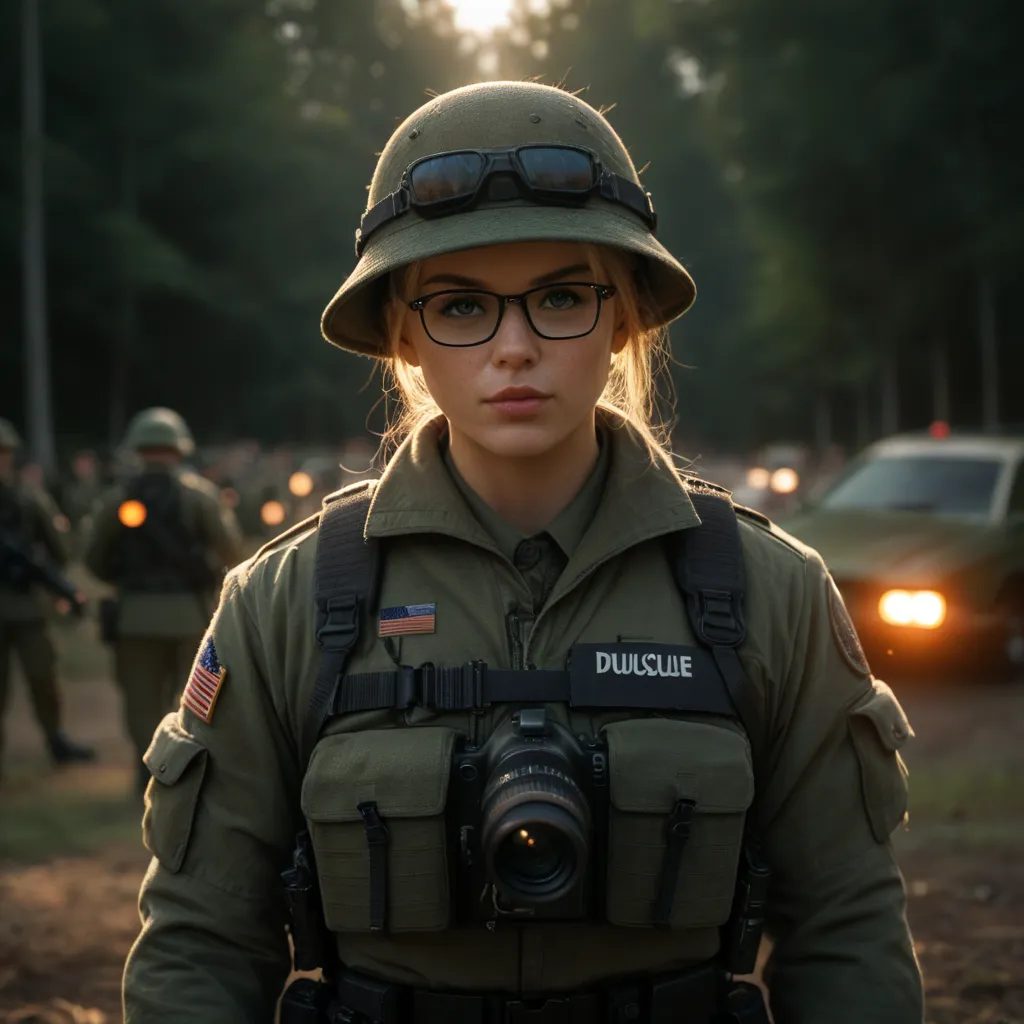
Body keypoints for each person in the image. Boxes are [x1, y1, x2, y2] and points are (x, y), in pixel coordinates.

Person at [124, 83, 923, 1023]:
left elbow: (846, 931)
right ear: (403, 336)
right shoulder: (287, 602)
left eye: (560, 298)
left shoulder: (767, 594)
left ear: (623, 318)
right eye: (462, 307)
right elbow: (202, 942)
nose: (514, 348)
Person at [84, 408, 243, 792]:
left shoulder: (116, 499)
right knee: (195, 695)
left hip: (135, 616)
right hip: (190, 616)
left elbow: (94, 560)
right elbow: (231, 551)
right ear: (179, 448)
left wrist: (126, 580)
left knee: (141, 699)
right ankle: (193, 768)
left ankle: (147, 767)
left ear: (137, 449)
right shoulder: (200, 497)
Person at [0, 417, 95, 776]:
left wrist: (42, 575)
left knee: (43, 675)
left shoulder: (27, 499)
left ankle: (55, 737)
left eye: (4, 453)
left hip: (26, 605)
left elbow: (58, 549)